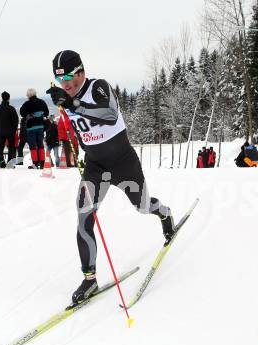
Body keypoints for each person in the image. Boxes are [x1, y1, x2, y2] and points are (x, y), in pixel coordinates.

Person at [46, 50, 175, 304]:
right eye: (61, 80)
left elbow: (110, 115)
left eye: (70, 77)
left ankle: (164, 213)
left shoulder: (98, 87)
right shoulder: (65, 97)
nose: (67, 84)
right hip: (96, 166)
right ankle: (89, 279)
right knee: (84, 217)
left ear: (81, 72)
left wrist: (73, 105)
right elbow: (80, 129)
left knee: (142, 205)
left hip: (123, 163)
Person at [20, 88, 49, 169]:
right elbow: (47, 112)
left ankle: (35, 164)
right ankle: (43, 163)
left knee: (33, 146)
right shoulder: (42, 102)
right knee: (40, 145)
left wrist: (29, 114)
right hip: (40, 126)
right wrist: (40, 114)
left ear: (28, 95)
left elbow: (22, 113)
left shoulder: (27, 104)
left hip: (31, 127)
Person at [0, 91, 19, 168]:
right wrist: (14, 129)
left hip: (1, 131)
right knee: (11, 148)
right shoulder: (11, 108)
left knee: (0, 148)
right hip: (10, 131)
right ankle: (9, 163)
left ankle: (2, 162)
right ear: (8, 99)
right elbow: (16, 120)